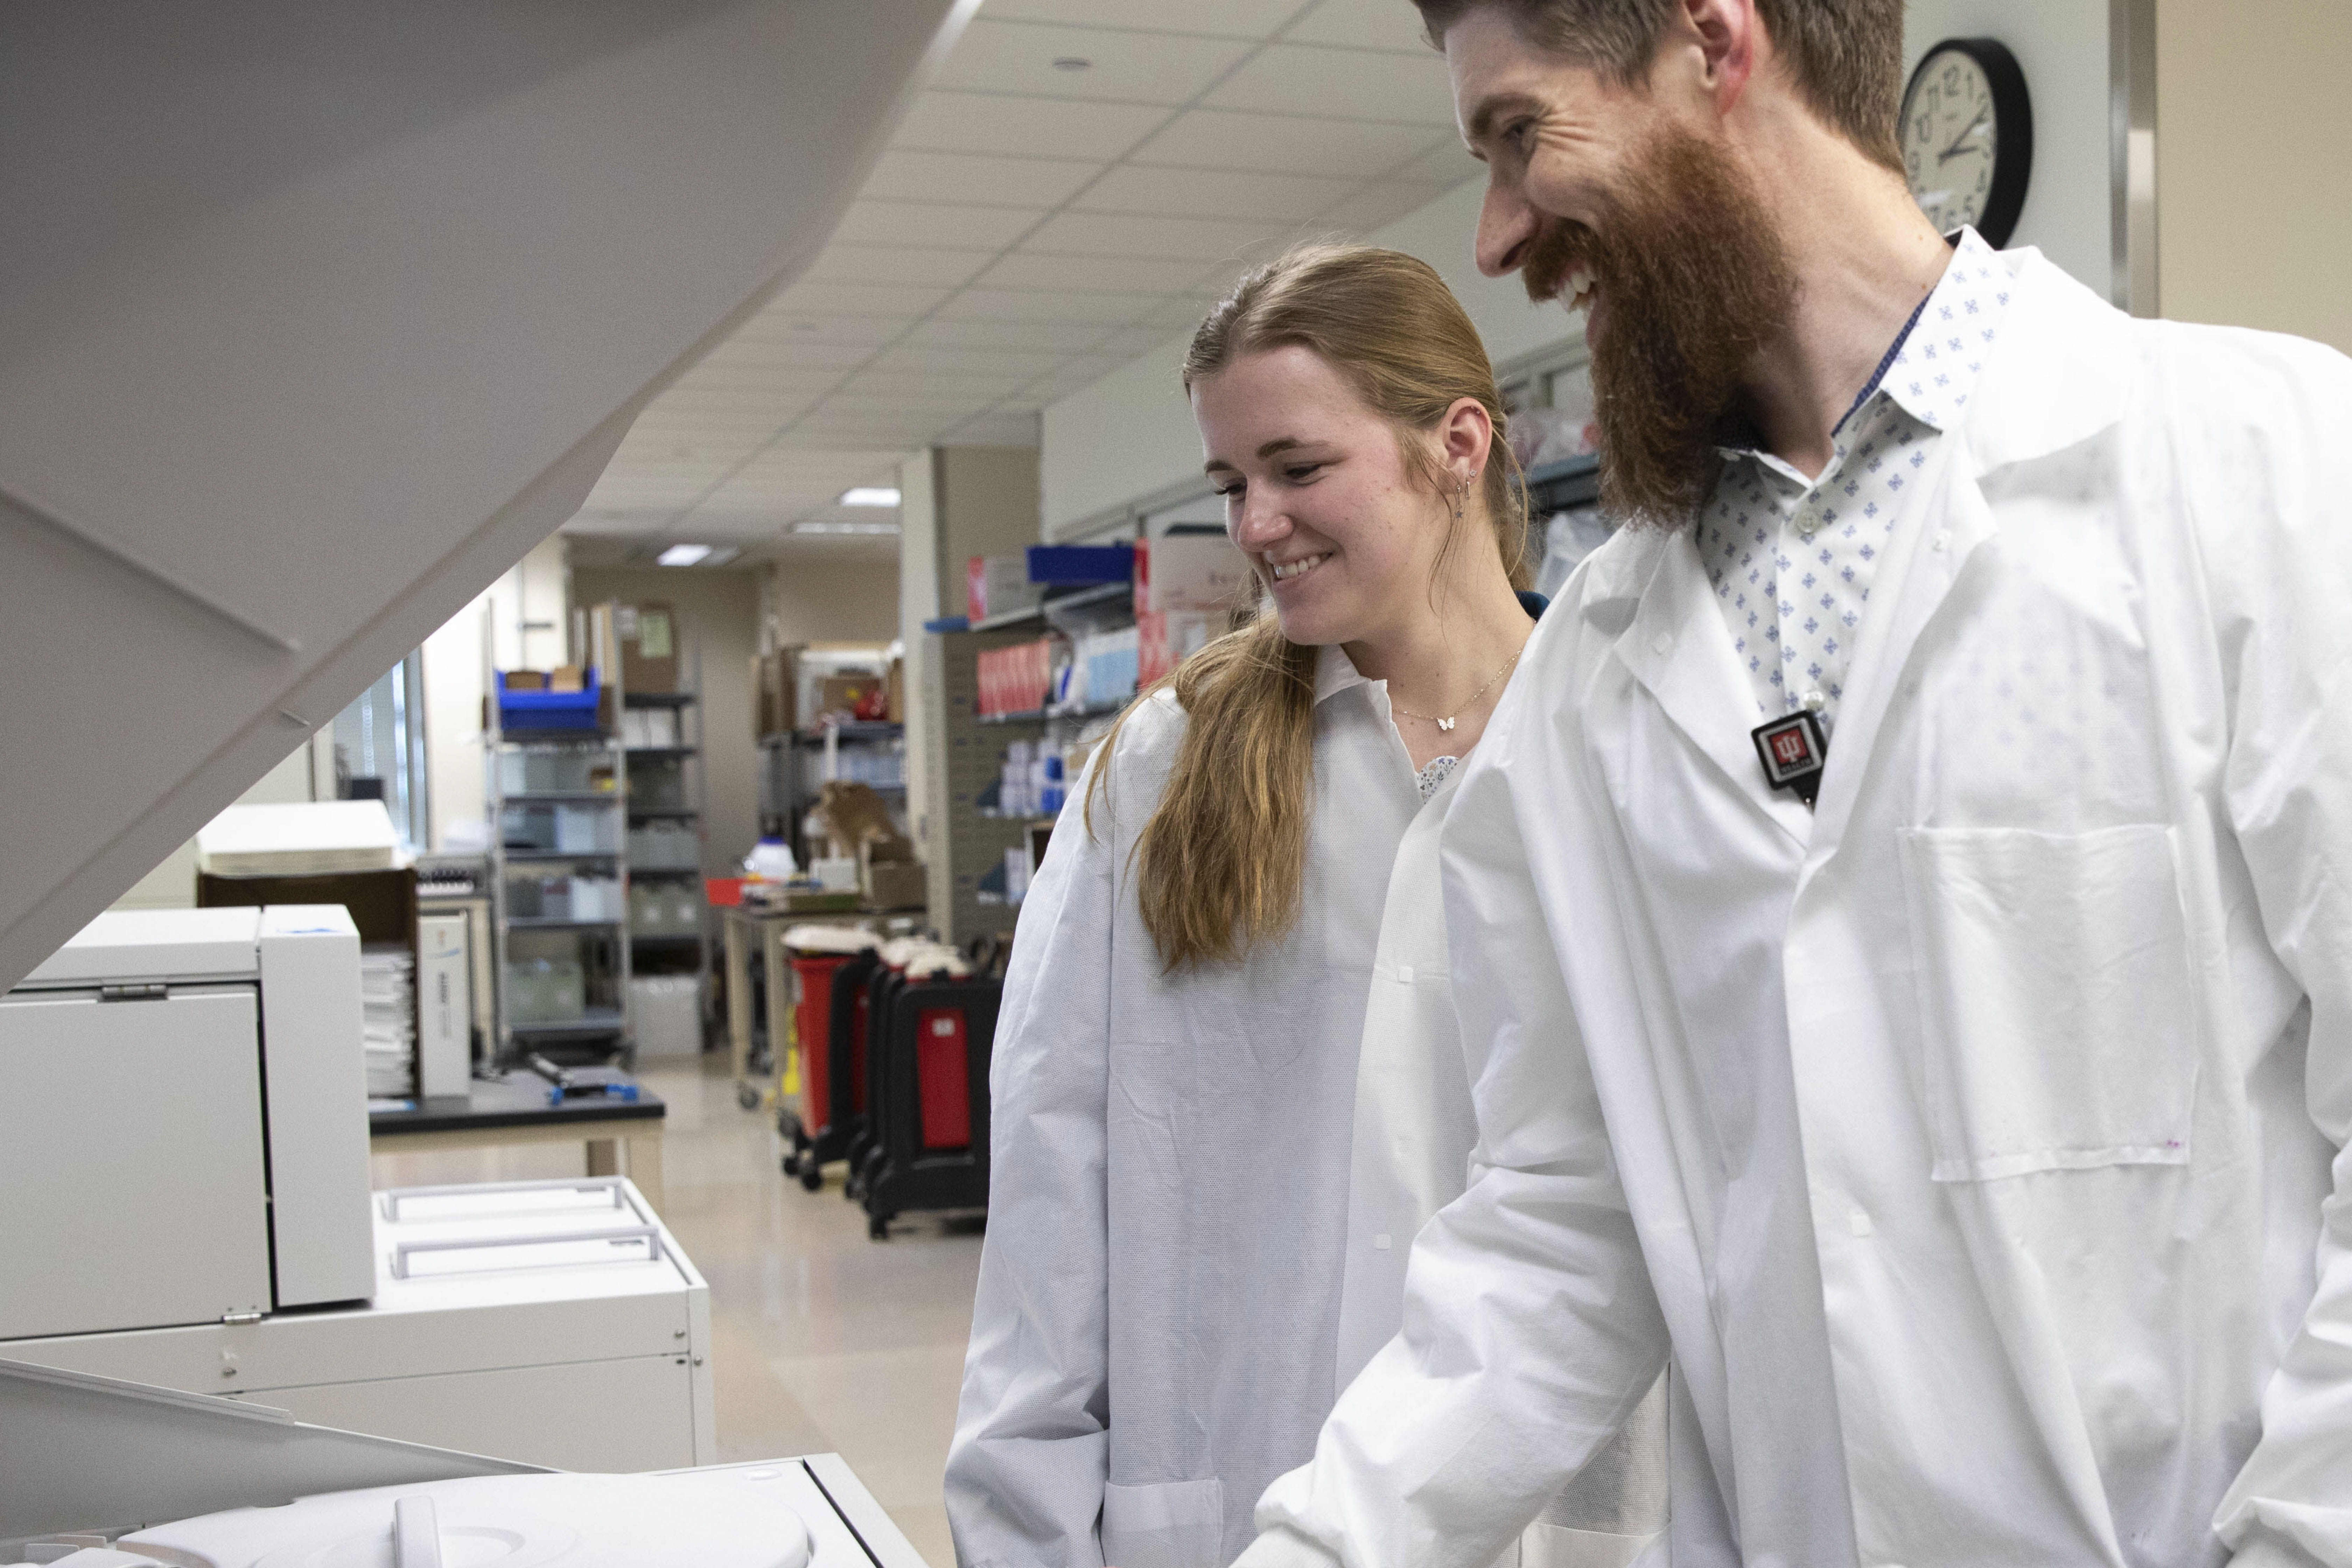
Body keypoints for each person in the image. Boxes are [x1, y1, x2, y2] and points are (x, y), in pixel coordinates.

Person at [1237, 2, 2352, 1567]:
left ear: (1712, 42)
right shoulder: (1591, 677)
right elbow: (1566, 1220)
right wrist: (1324, 1547)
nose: (1496, 239)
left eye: (1517, 136)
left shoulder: (2265, 468)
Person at [945, 244, 1662, 1568]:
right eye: (1232, 483)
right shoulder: (1167, 766)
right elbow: (1055, 1185)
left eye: (1297, 467)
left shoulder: (1626, 739)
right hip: (1239, 1491)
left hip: (1559, 1511)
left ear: (1457, 443)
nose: (1255, 523)